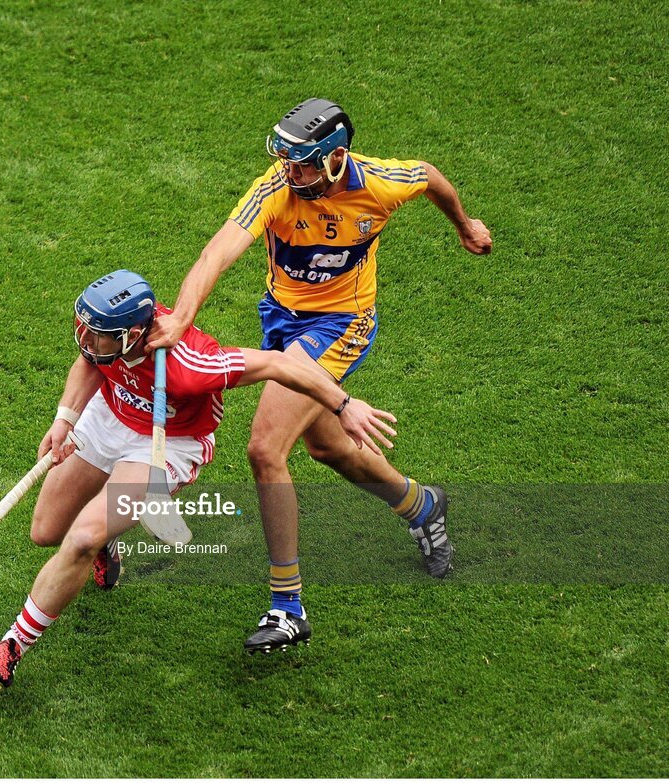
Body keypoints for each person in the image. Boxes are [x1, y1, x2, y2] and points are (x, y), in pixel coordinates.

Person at [146, 98, 493, 653]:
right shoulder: (275, 189)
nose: (292, 171)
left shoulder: (377, 184)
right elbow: (217, 253)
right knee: (328, 448)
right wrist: (181, 318)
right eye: (287, 160)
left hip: (341, 323)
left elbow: (428, 177)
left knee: (265, 449)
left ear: (335, 159)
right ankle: (421, 505)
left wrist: (464, 224)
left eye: (304, 164)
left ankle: (288, 606)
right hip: (281, 318)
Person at [0, 269, 398, 691]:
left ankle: (14, 645)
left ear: (135, 334)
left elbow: (277, 364)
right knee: (46, 531)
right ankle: (109, 539)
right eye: (84, 330)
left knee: (82, 537)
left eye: (98, 336)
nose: (87, 342)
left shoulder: (193, 365)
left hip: (165, 444)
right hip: (108, 417)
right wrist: (65, 419)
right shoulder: (108, 337)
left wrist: (343, 406)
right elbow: (89, 363)